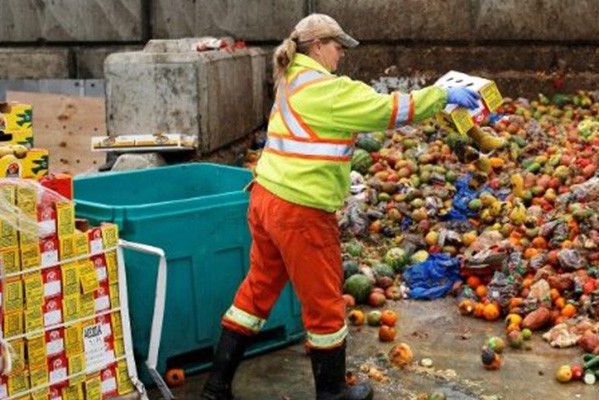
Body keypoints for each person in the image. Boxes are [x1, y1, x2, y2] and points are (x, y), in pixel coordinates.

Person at [200, 13, 481, 400]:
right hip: (300, 211)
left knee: (257, 291)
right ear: (317, 47)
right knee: (325, 305)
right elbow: (386, 110)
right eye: (337, 47)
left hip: (266, 197)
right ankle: (332, 393)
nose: (341, 55)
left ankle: (216, 387)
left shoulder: (291, 79)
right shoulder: (326, 89)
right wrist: (441, 95)